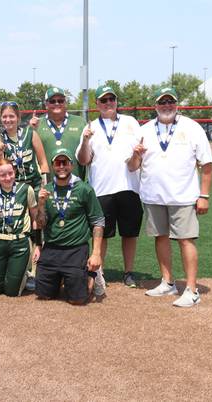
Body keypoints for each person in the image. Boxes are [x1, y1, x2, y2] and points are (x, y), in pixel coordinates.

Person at [128, 87, 212, 307]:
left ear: (177, 104)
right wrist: (136, 155)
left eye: (170, 102)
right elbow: (132, 167)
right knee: (161, 237)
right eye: (162, 102)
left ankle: (192, 290)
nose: (167, 106)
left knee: (186, 240)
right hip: (154, 196)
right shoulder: (144, 130)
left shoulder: (192, 128)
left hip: (183, 196)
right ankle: (168, 282)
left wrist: (204, 195)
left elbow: (207, 165)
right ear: (155, 105)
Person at [76, 85, 143, 290]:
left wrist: (136, 156)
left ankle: (128, 272)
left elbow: (139, 153)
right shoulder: (90, 126)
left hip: (129, 187)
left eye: (111, 99)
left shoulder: (131, 123)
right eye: (103, 100)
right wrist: (86, 140)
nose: (108, 104)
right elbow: (83, 159)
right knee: (102, 234)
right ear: (97, 104)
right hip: (102, 189)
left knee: (129, 233)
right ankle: (99, 272)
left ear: (116, 101)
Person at [34, 149, 104, 305]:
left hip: (76, 249)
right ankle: (62, 276)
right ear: (52, 166)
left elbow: (98, 221)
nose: (61, 166)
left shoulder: (84, 189)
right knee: (43, 295)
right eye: (57, 163)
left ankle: (92, 274)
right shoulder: (47, 190)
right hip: (52, 248)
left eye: (65, 162)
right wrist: (41, 205)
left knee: (77, 300)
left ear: (71, 165)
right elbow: (40, 224)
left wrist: (96, 253)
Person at [0, 159, 40, 296]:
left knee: (11, 292)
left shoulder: (26, 189)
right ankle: (10, 273)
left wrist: (38, 244)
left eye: (10, 173)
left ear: (14, 172)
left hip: (19, 243)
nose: (7, 178)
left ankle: (24, 275)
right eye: (2, 175)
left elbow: (35, 218)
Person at [32, 86, 87, 180]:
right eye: (52, 101)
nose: (57, 103)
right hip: (48, 187)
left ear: (65, 103)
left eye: (60, 101)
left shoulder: (80, 122)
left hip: (76, 186)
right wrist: (31, 129)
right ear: (46, 104)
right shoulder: (37, 125)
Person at [0, 101, 48, 190]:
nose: (8, 120)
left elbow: (43, 162)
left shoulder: (30, 134)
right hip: (14, 187)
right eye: (4, 117)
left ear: (18, 117)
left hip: (34, 185)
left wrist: (44, 186)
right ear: (0, 118)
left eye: (11, 116)